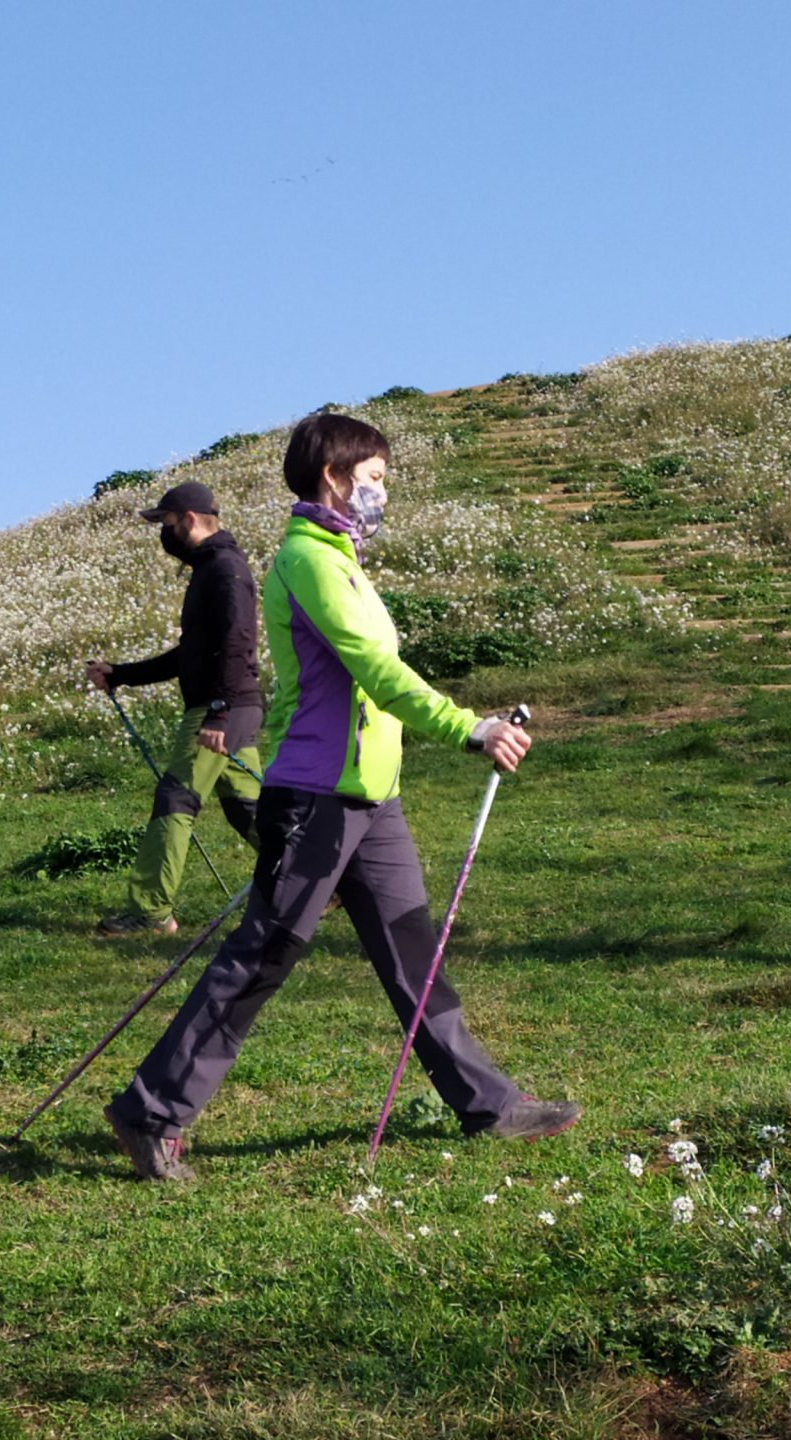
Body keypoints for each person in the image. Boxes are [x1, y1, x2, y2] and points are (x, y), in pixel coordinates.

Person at [101, 413, 580, 1182]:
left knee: (413, 956)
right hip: (317, 798)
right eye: (376, 478)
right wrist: (470, 727)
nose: (383, 492)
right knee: (261, 958)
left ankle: (489, 1105)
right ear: (334, 476)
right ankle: (150, 1113)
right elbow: (374, 669)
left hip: (372, 801)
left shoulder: (343, 558)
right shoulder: (310, 561)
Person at [86, 480, 264, 936]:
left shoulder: (225, 569)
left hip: (220, 709)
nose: (161, 535)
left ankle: (149, 913)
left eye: (164, 524)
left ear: (188, 520)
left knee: (175, 799)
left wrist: (218, 713)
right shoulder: (211, 568)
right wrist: (122, 673)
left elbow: (237, 643)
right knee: (246, 807)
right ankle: (325, 882)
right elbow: (190, 654)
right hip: (232, 707)